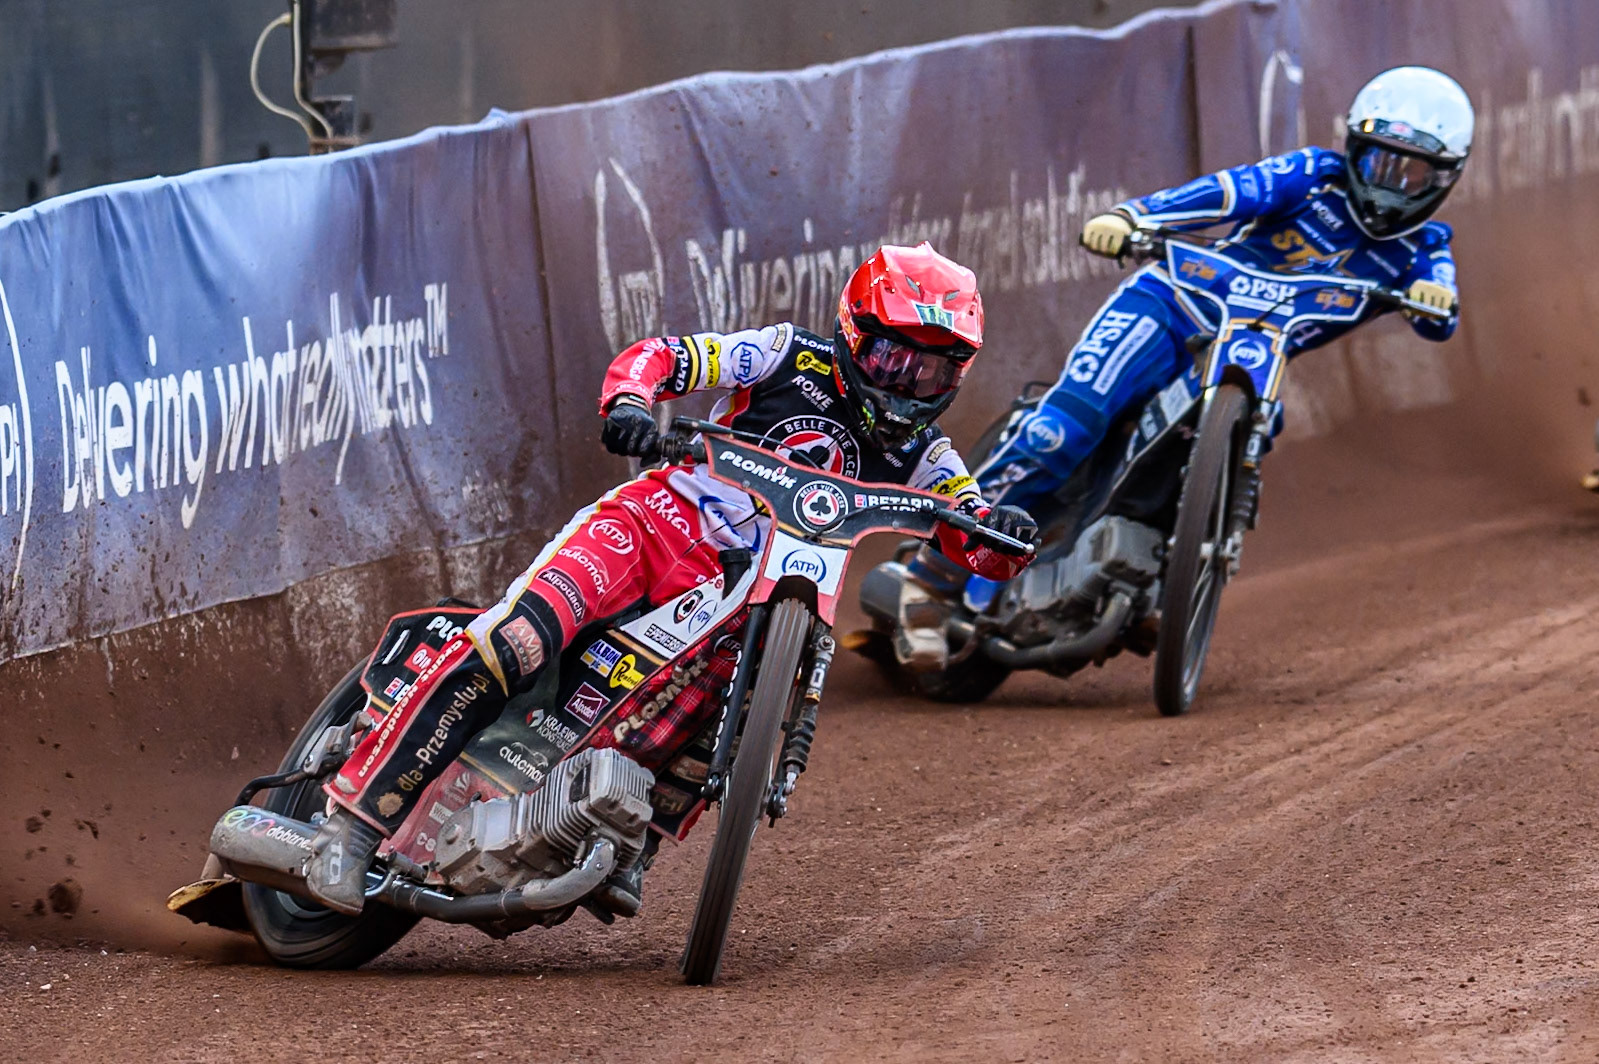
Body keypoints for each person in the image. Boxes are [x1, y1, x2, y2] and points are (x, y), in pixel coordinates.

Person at [302, 242, 1038, 915]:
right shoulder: (786, 354)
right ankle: (350, 830)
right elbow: (663, 356)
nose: (906, 382)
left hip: (752, 593)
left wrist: (1011, 537)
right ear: (852, 335)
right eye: (891, 358)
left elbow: (974, 538)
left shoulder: (929, 458)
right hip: (656, 524)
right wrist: (629, 402)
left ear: (957, 373)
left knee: (746, 695)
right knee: (517, 640)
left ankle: (634, 840)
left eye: (931, 367)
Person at [950, 66, 1472, 546]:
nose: (1390, 185)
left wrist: (1435, 298)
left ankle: (1166, 565)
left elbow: (1440, 307)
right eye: (1380, 162)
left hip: (1247, 355)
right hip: (1172, 306)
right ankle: (934, 571)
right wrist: (1133, 217)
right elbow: (1229, 191)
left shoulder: (1425, 248)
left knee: (1261, 427)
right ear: (1354, 149)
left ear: (1444, 178)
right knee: (1062, 430)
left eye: (1413, 174)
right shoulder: (1313, 174)